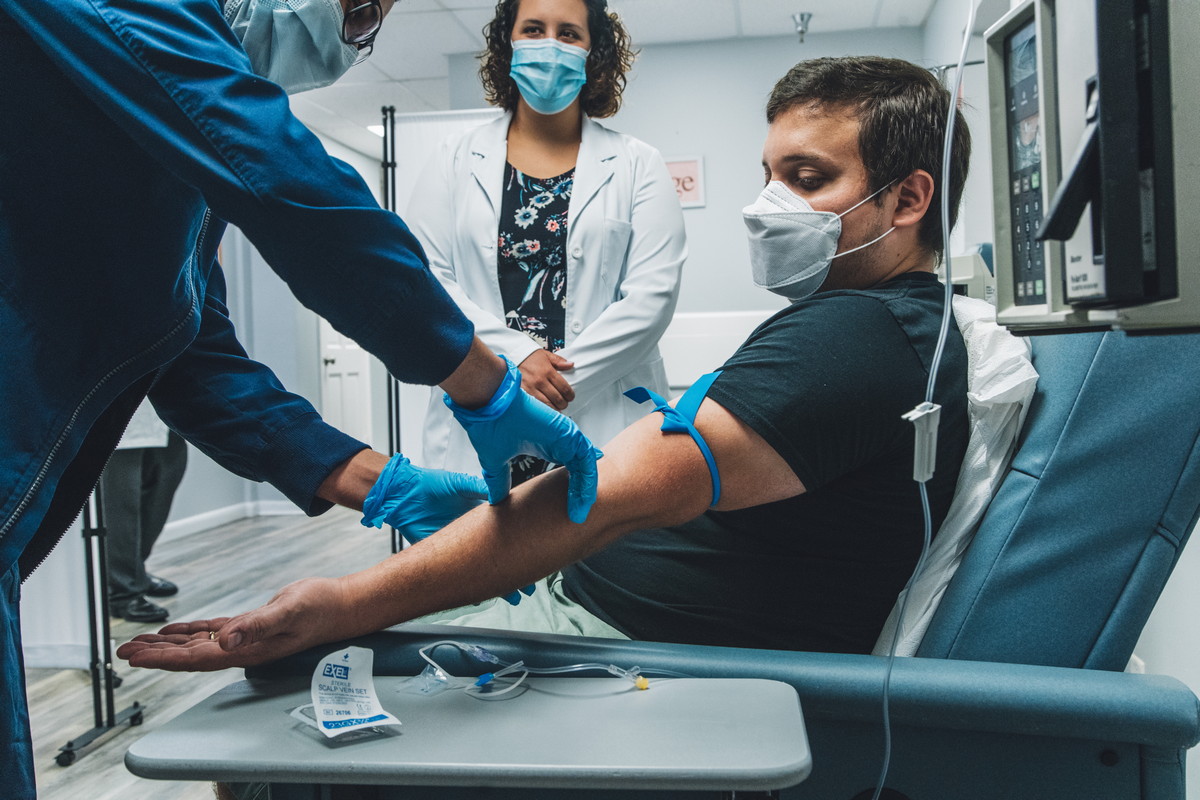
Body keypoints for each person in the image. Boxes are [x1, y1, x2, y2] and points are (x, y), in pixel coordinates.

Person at [118, 55, 973, 668]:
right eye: (769, 174)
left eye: (808, 176)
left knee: (286, 708)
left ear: (907, 198)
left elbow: (594, 502)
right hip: (580, 598)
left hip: (617, 644)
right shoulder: (863, 326)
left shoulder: (856, 335)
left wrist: (345, 599)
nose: (768, 206)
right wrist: (402, 469)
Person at [0, 1, 602, 797]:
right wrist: (486, 387)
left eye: (373, 20)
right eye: (354, 6)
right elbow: (291, 186)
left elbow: (192, 350)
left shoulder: (151, 128)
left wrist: (383, 483)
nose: (353, 33)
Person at [414, 0, 686, 483]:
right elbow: (427, 280)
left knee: (600, 551)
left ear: (593, 52)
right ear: (508, 44)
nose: (549, 46)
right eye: (533, 29)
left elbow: (651, 298)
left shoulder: (637, 163)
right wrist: (515, 363)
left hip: (600, 409)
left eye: (569, 34)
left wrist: (553, 386)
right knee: (488, 550)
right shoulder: (452, 159)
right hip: (486, 403)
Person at [99, 402, 189, 623]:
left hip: (163, 410)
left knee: (164, 481)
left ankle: (134, 571)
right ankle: (122, 592)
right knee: (121, 504)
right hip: (118, 412)